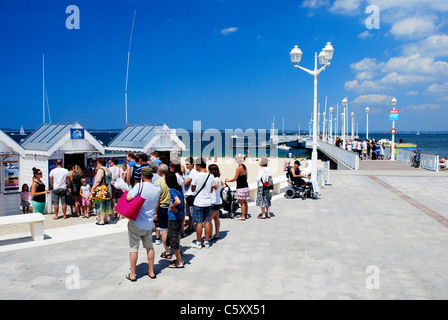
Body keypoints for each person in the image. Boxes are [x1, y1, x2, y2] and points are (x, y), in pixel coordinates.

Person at [125, 167, 161, 281]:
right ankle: (151, 271)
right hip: (149, 223)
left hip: (137, 221)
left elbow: (129, 197)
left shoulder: (139, 186)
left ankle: (133, 274)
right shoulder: (157, 188)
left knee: (133, 248)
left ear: (142, 176)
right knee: (149, 247)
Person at [190, 157, 215, 249]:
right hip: (208, 201)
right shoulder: (211, 176)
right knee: (207, 222)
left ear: (199, 165)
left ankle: (198, 242)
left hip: (198, 202)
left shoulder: (196, 176)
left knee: (199, 223)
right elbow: (212, 189)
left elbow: (193, 189)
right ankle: (207, 241)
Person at [165, 171, 185, 268]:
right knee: (176, 236)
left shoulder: (172, 190)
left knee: (173, 239)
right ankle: (178, 258)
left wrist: (172, 207)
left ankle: (179, 262)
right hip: (179, 216)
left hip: (173, 217)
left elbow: (178, 201)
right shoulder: (179, 188)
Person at [225, 154, 249, 221]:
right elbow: (246, 178)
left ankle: (243, 216)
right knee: (245, 201)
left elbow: (235, 178)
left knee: (242, 203)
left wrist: (228, 180)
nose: (236, 160)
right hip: (245, 186)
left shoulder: (238, 168)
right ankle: (246, 214)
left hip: (240, 187)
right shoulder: (244, 167)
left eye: (237, 159)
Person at [155, 164, 171, 258]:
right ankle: (176, 249)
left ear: (160, 171)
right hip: (172, 207)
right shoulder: (172, 180)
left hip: (163, 207)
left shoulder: (158, 182)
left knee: (164, 231)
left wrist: (155, 212)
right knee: (174, 230)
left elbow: (157, 199)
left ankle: (167, 251)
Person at [90, 158, 112, 225]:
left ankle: (101, 220)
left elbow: (98, 180)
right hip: (108, 188)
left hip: (102, 188)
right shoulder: (108, 170)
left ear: (99, 163)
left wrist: (93, 188)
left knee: (101, 204)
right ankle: (106, 219)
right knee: (107, 204)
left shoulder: (100, 170)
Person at [208, 164, 222, 241]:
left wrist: (211, 186)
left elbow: (216, 186)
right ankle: (217, 234)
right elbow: (221, 185)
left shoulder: (215, 179)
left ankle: (210, 235)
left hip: (214, 202)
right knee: (216, 219)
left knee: (209, 220)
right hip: (218, 201)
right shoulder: (218, 178)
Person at [183, 157, 197, 234]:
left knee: (191, 212)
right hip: (187, 193)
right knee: (188, 212)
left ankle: (191, 226)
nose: (186, 166)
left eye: (188, 164)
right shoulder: (189, 172)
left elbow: (187, 182)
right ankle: (190, 226)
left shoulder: (193, 172)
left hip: (191, 194)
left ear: (192, 164)